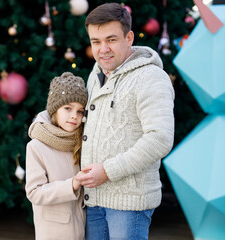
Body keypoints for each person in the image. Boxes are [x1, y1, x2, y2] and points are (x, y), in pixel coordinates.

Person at [74, 3, 175, 240]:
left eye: (111, 39)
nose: (103, 49)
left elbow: (159, 139)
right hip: (94, 198)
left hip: (129, 204)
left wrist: (108, 171)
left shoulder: (151, 78)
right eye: (96, 41)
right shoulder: (96, 74)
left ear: (129, 38)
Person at [25, 72, 88, 240]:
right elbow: (34, 192)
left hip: (83, 229)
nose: (74, 116)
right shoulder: (37, 146)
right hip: (54, 233)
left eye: (80, 111)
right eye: (68, 108)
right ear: (55, 110)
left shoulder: (82, 142)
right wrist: (71, 185)